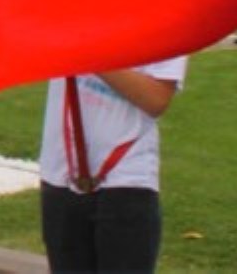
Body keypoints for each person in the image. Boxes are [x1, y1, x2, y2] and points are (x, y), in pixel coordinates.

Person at [38, 59, 187, 273]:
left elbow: (156, 98)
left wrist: (88, 54)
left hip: (127, 178)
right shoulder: (65, 23)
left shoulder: (161, 25)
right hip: (61, 172)